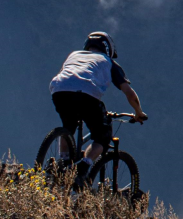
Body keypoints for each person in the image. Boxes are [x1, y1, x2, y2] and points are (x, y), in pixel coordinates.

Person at [48, 31, 146, 165]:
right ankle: (85, 165)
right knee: (102, 136)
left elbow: (68, 77)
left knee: (68, 126)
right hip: (86, 94)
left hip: (59, 90)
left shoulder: (73, 55)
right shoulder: (108, 61)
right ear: (108, 49)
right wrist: (138, 112)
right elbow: (129, 94)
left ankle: (62, 164)